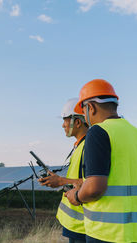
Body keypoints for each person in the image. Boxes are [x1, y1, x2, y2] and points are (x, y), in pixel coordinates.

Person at [65, 79, 137, 243]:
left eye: (84, 110)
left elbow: (95, 188)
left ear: (91, 108)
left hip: (107, 235)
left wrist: (77, 196)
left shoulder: (98, 132)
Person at [39, 98, 88, 243]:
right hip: (75, 226)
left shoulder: (88, 147)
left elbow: (92, 183)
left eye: (65, 120)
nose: (63, 125)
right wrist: (59, 181)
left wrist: (60, 181)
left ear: (77, 122)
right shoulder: (79, 146)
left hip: (82, 227)